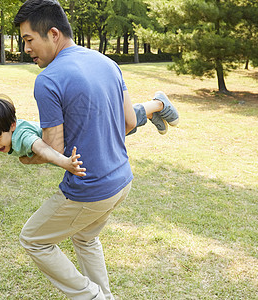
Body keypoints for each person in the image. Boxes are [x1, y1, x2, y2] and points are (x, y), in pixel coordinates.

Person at [13, 1, 179, 299]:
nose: (26, 49)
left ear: (52, 33)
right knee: (85, 237)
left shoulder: (47, 80)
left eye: (28, 40)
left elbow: (55, 148)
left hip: (90, 190)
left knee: (33, 239)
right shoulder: (106, 62)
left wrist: (25, 156)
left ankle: (93, 296)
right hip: (122, 181)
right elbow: (129, 122)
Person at [0, 94, 87, 179]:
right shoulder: (2, 138)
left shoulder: (22, 135)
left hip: (78, 149)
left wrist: (66, 164)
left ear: (12, 125)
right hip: (73, 158)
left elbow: (42, 148)